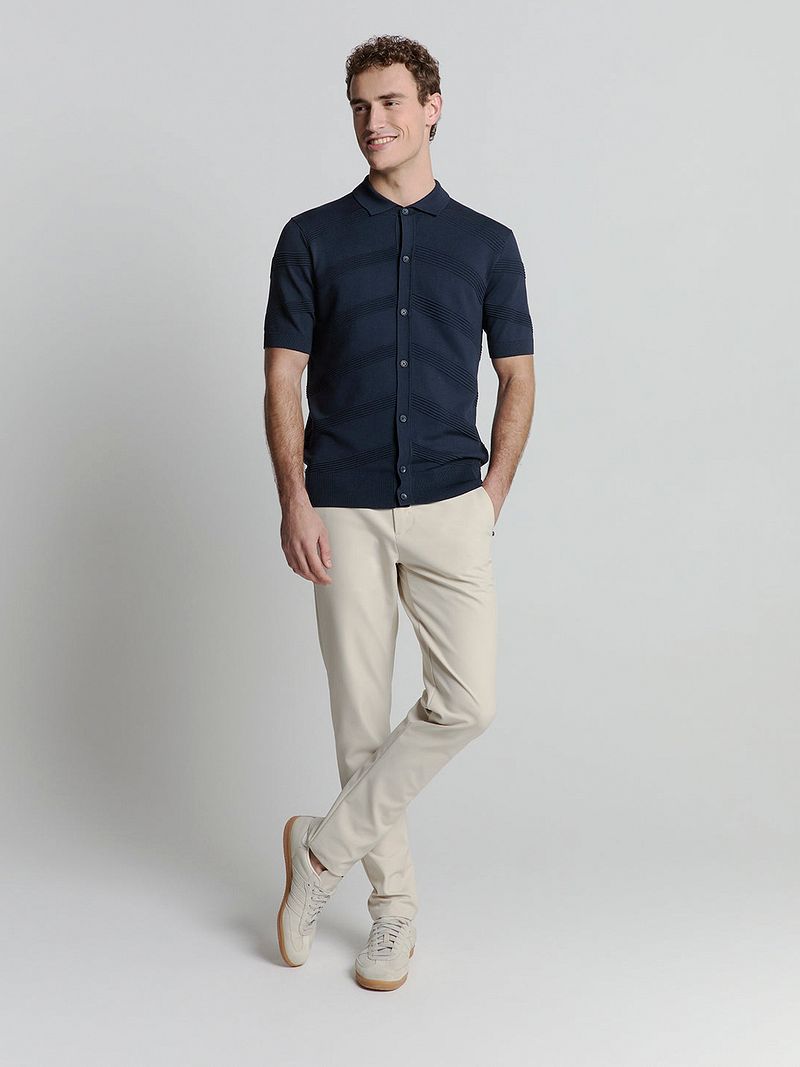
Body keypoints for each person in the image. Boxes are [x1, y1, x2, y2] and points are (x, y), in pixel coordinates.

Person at [263, 34, 535, 991]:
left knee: (469, 701)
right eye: (358, 106)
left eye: (388, 103)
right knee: (359, 720)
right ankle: (393, 911)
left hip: (453, 500)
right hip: (340, 502)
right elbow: (282, 379)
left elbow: (518, 377)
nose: (371, 122)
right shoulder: (310, 237)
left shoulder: (489, 243)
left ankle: (320, 849)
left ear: (431, 108)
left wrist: (491, 496)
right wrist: (295, 497)